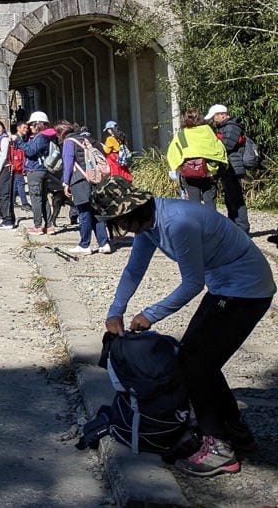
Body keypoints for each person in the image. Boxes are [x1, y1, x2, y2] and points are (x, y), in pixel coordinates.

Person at [95, 176, 275, 477]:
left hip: (247, 289)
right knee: (195, 359)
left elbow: (193, 283)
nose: (121, 229)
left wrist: (151, 314)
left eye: (119, 220)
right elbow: (134, 269)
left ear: (133, 210)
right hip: (225, 286)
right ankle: (235, 434)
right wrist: (116, 311)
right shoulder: (149, 224)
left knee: (195, 364)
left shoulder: (178, 223)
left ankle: (219, 449)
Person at [61, 124, 110, 255]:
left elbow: (68, 163)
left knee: (83, 213)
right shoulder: (87, 140)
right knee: (95, 213)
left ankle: (84, 245)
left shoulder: (69, 142)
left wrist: (66, 182)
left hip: (79, 180)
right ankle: (104, 243)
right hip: (94, 179)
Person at [167, 110, 228, 208]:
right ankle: (211, 222)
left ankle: (197, 222)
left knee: (194, 204)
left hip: (190, 174)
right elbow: (219, 149)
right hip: (209, 172)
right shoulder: (208, 131)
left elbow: (173, 153)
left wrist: (176, 168)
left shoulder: (182, 135)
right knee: (210, 203)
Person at [206, 104, 250, 234]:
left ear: (222, 115)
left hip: (233, 167)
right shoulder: (225, 127)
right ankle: (234, 226)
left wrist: (213, 143)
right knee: (230, 198)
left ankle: (242, 228)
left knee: (235, 198)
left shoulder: (232, 127)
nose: (213, 120)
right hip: (227, 166)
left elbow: (227, 145)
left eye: (214, 117)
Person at [21, 111, 64, 234]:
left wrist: (19, 142)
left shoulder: (40, 137)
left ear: (38, 124)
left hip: (35, 170)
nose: (29, 127)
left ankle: (38, 226)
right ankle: (49, 226)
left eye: (32, 124)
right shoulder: (50, 135)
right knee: (44, 198)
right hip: (45, 169)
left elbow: (30, 151)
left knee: (36, 198)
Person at [0, 120, 16, 228]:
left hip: (5, 169)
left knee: (4, 195)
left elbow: (3, 157)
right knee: (3, 194)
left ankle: (8, 220)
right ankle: (8, 218)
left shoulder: (4, 140)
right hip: (3, 169)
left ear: (3, 129)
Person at [12, 120, 32, 209]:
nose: (26, 130)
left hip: (19, 164)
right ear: (18, 128)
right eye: (24, 128)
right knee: (21, 183)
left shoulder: (22, 138)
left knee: (16, 183)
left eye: (27, 128)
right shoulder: (16, 139)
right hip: (17, 164)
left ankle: (12, 201)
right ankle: (24, 203)